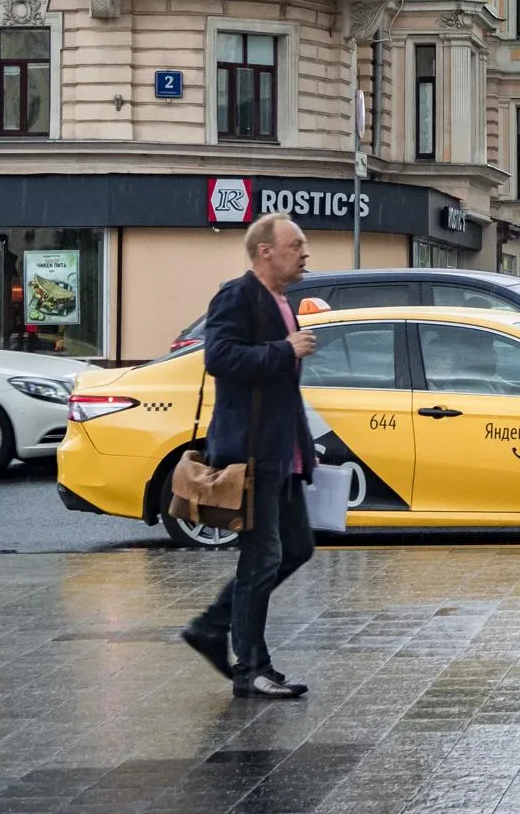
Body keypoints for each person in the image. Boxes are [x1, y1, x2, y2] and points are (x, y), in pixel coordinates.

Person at [179, 213, 319, 699]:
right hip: (253, 453)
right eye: (295, 244)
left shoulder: (283, 300)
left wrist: (305, 448)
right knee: (262, 559)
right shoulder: (237, 295)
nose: (304, 253)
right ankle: (251, 667)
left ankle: (212, 626)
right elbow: (218, 357)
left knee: (297, 547)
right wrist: (284, 349)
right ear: (265, 251)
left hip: (283, 453)